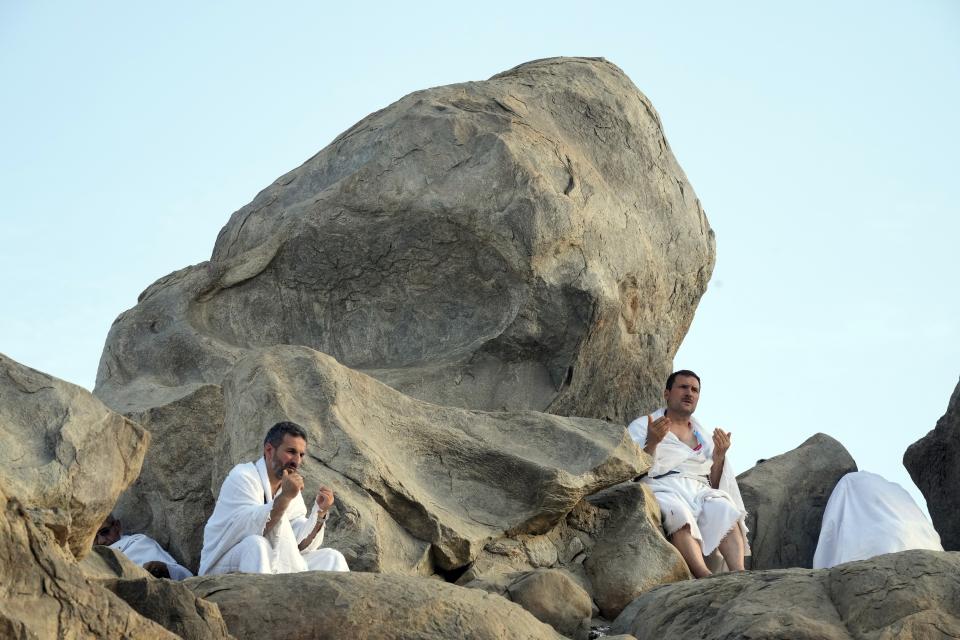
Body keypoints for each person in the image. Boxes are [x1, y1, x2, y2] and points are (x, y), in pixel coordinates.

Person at [626, 370, 749, 578]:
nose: (689, 393)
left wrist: (719, 455)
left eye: (694, 390)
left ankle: (740, 572)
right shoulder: (643, 425)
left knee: (724, 508)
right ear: (667, 393)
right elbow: (631, 469)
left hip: (699, 487)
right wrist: (653, 441)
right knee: (678, 513)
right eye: (683, 387)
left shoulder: (703, 434)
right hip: (663, 485)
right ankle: (704, 575)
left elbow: (715, 482)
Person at [199, 421, 349, 575]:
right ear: (269, 450)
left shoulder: (288, 488)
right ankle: (268, 598)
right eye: (291, 451)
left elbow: (298, 544)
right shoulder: (242, 476)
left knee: (332, 558)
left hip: (274, 563)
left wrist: (320, 514)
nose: (296, 461)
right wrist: (285, 497)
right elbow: (249, 528)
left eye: (301, 454)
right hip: (222, 562)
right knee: (256, 545)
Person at [813, 470, 943, 568]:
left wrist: (819, 571)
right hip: (930, 546)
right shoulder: (895, 488)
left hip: (884, 550)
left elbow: (830, 529)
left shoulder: (848, 481)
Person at [94, 514, 194, 580]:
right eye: (94, 537)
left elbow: (186, 577)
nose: (101, 541)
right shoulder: (87, 558)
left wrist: (164, 569)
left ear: (117, 526)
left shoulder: (138, 543)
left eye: (105, 532)